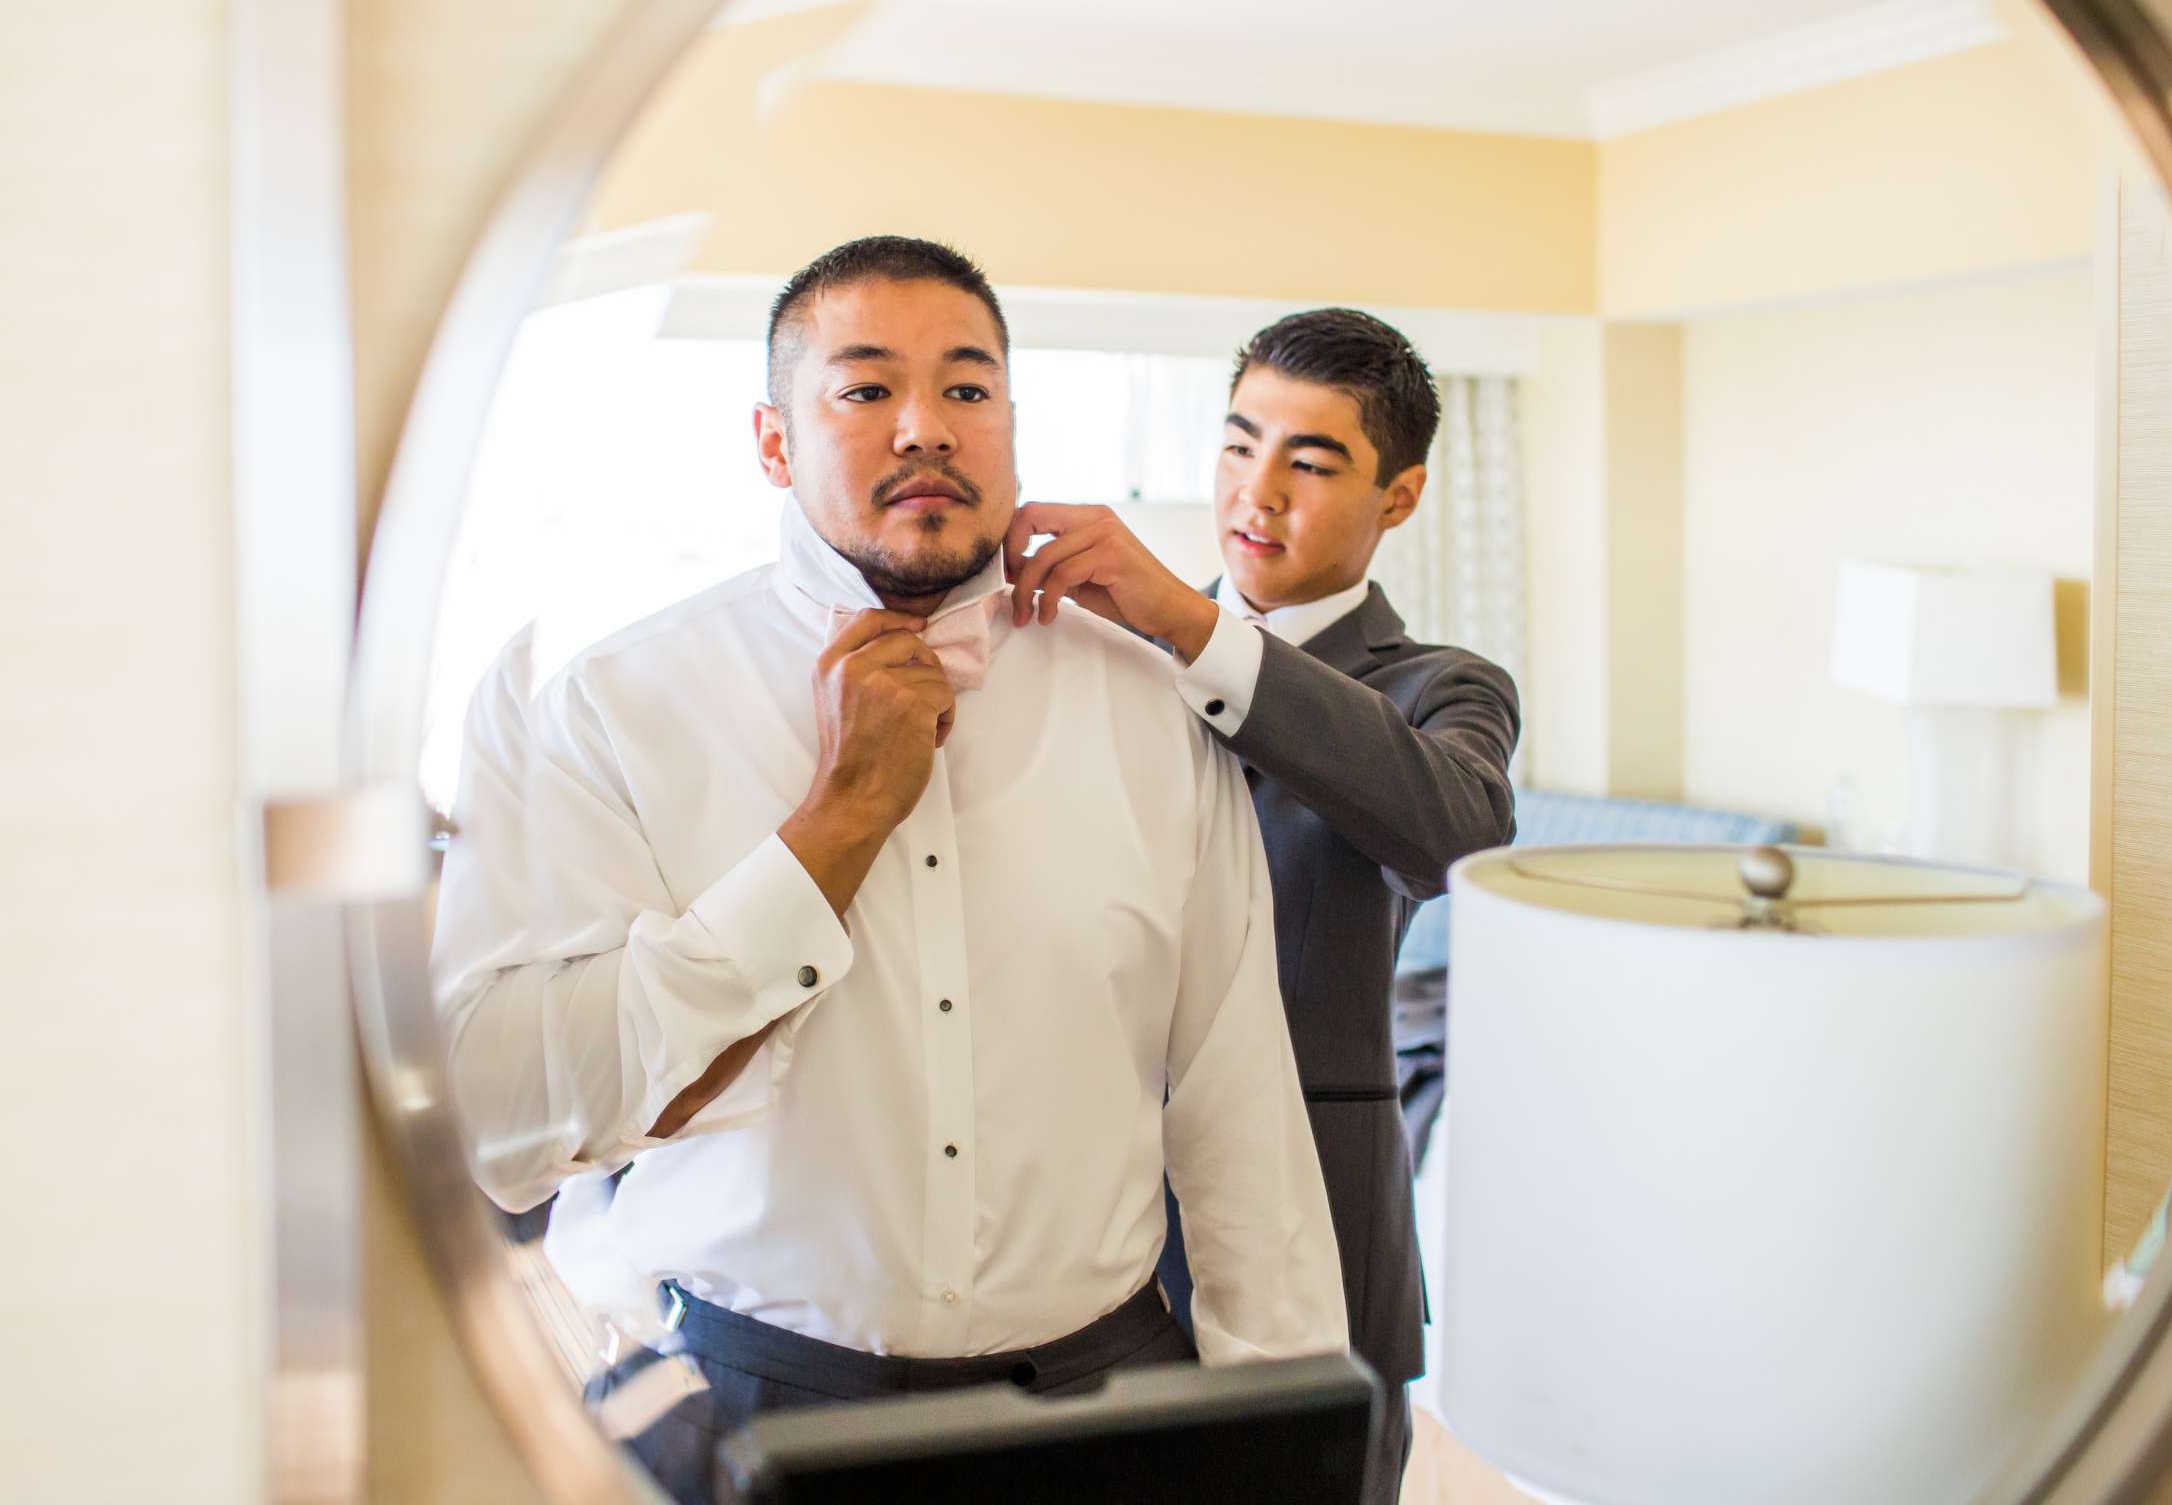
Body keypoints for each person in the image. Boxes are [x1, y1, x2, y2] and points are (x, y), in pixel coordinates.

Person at [431, 237, 1348, 1505]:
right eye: (865, 389)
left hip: (1105, 1399)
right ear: (772, 441)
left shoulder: (1145, 702)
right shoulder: (608, 710)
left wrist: (1281, 1422)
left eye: (967, 389)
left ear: (1012, 426)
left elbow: (1237, 1098)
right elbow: (503, 1121)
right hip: (735, 1405)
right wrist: (840, 818)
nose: (926, 425)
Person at [1006, 306, 1522, 1504]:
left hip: (1322, 1228)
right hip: (1083, 1224)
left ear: (1400, 496)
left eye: (1311, 459)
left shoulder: (1443, 689)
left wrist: (1196, 630)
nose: (1259, 489)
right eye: (1240, 444)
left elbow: (1456, 845)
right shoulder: (1097, 650)